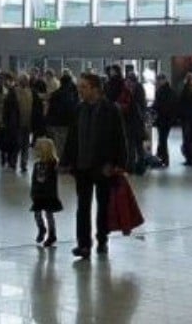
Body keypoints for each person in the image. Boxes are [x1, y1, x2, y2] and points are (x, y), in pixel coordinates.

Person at [63, 74, 128, 259]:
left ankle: (102, 240)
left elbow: (120, 139)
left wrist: (119, 164)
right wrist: (66, 161)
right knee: (82, 206)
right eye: (80, 87)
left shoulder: (110, 109)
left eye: (83, 87)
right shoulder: (79, 109)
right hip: (82, 166)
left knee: (103, 205)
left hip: (103, 167)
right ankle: (83, 244)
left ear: (95, 89)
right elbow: (72, 137)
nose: (80, 90)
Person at [2, 73, 41, 173]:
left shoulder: (32, 92)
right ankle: (13, 162)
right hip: (16, 124)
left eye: (26, 80)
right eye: (23, 80)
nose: (25, 81)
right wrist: (6, 122)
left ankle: (23, 164)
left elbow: (37, 108)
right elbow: (6, 109)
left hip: (28, 124)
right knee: (16, 144)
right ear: (19, 81)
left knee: (25, 146)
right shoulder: (13, 93)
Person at [30, 137, 63, 248]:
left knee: (49, 215)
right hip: (38, 194)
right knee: (37, 214)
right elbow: (34, 179)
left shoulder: (53, 165)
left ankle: (52, 234)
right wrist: (33, 192)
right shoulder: (37, 165)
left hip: (49, 194)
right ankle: (41, 229)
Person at [45, 73, 79, 156]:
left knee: (58, 146)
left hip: (56, 123)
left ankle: (59, 162)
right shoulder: (73, 94)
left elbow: (50, 109)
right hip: (68, 123)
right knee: (67, 146)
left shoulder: (56, 94)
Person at [151, 74, 176, 167]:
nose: (157, 82)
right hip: (166, 119)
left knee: (162, 139)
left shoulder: (162, 91)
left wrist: (155, 108)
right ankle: (161, 157)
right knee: (162, 139)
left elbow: (161, 104)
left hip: (163, 119)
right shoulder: (169, 91)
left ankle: (164, 159)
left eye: (158, 80)